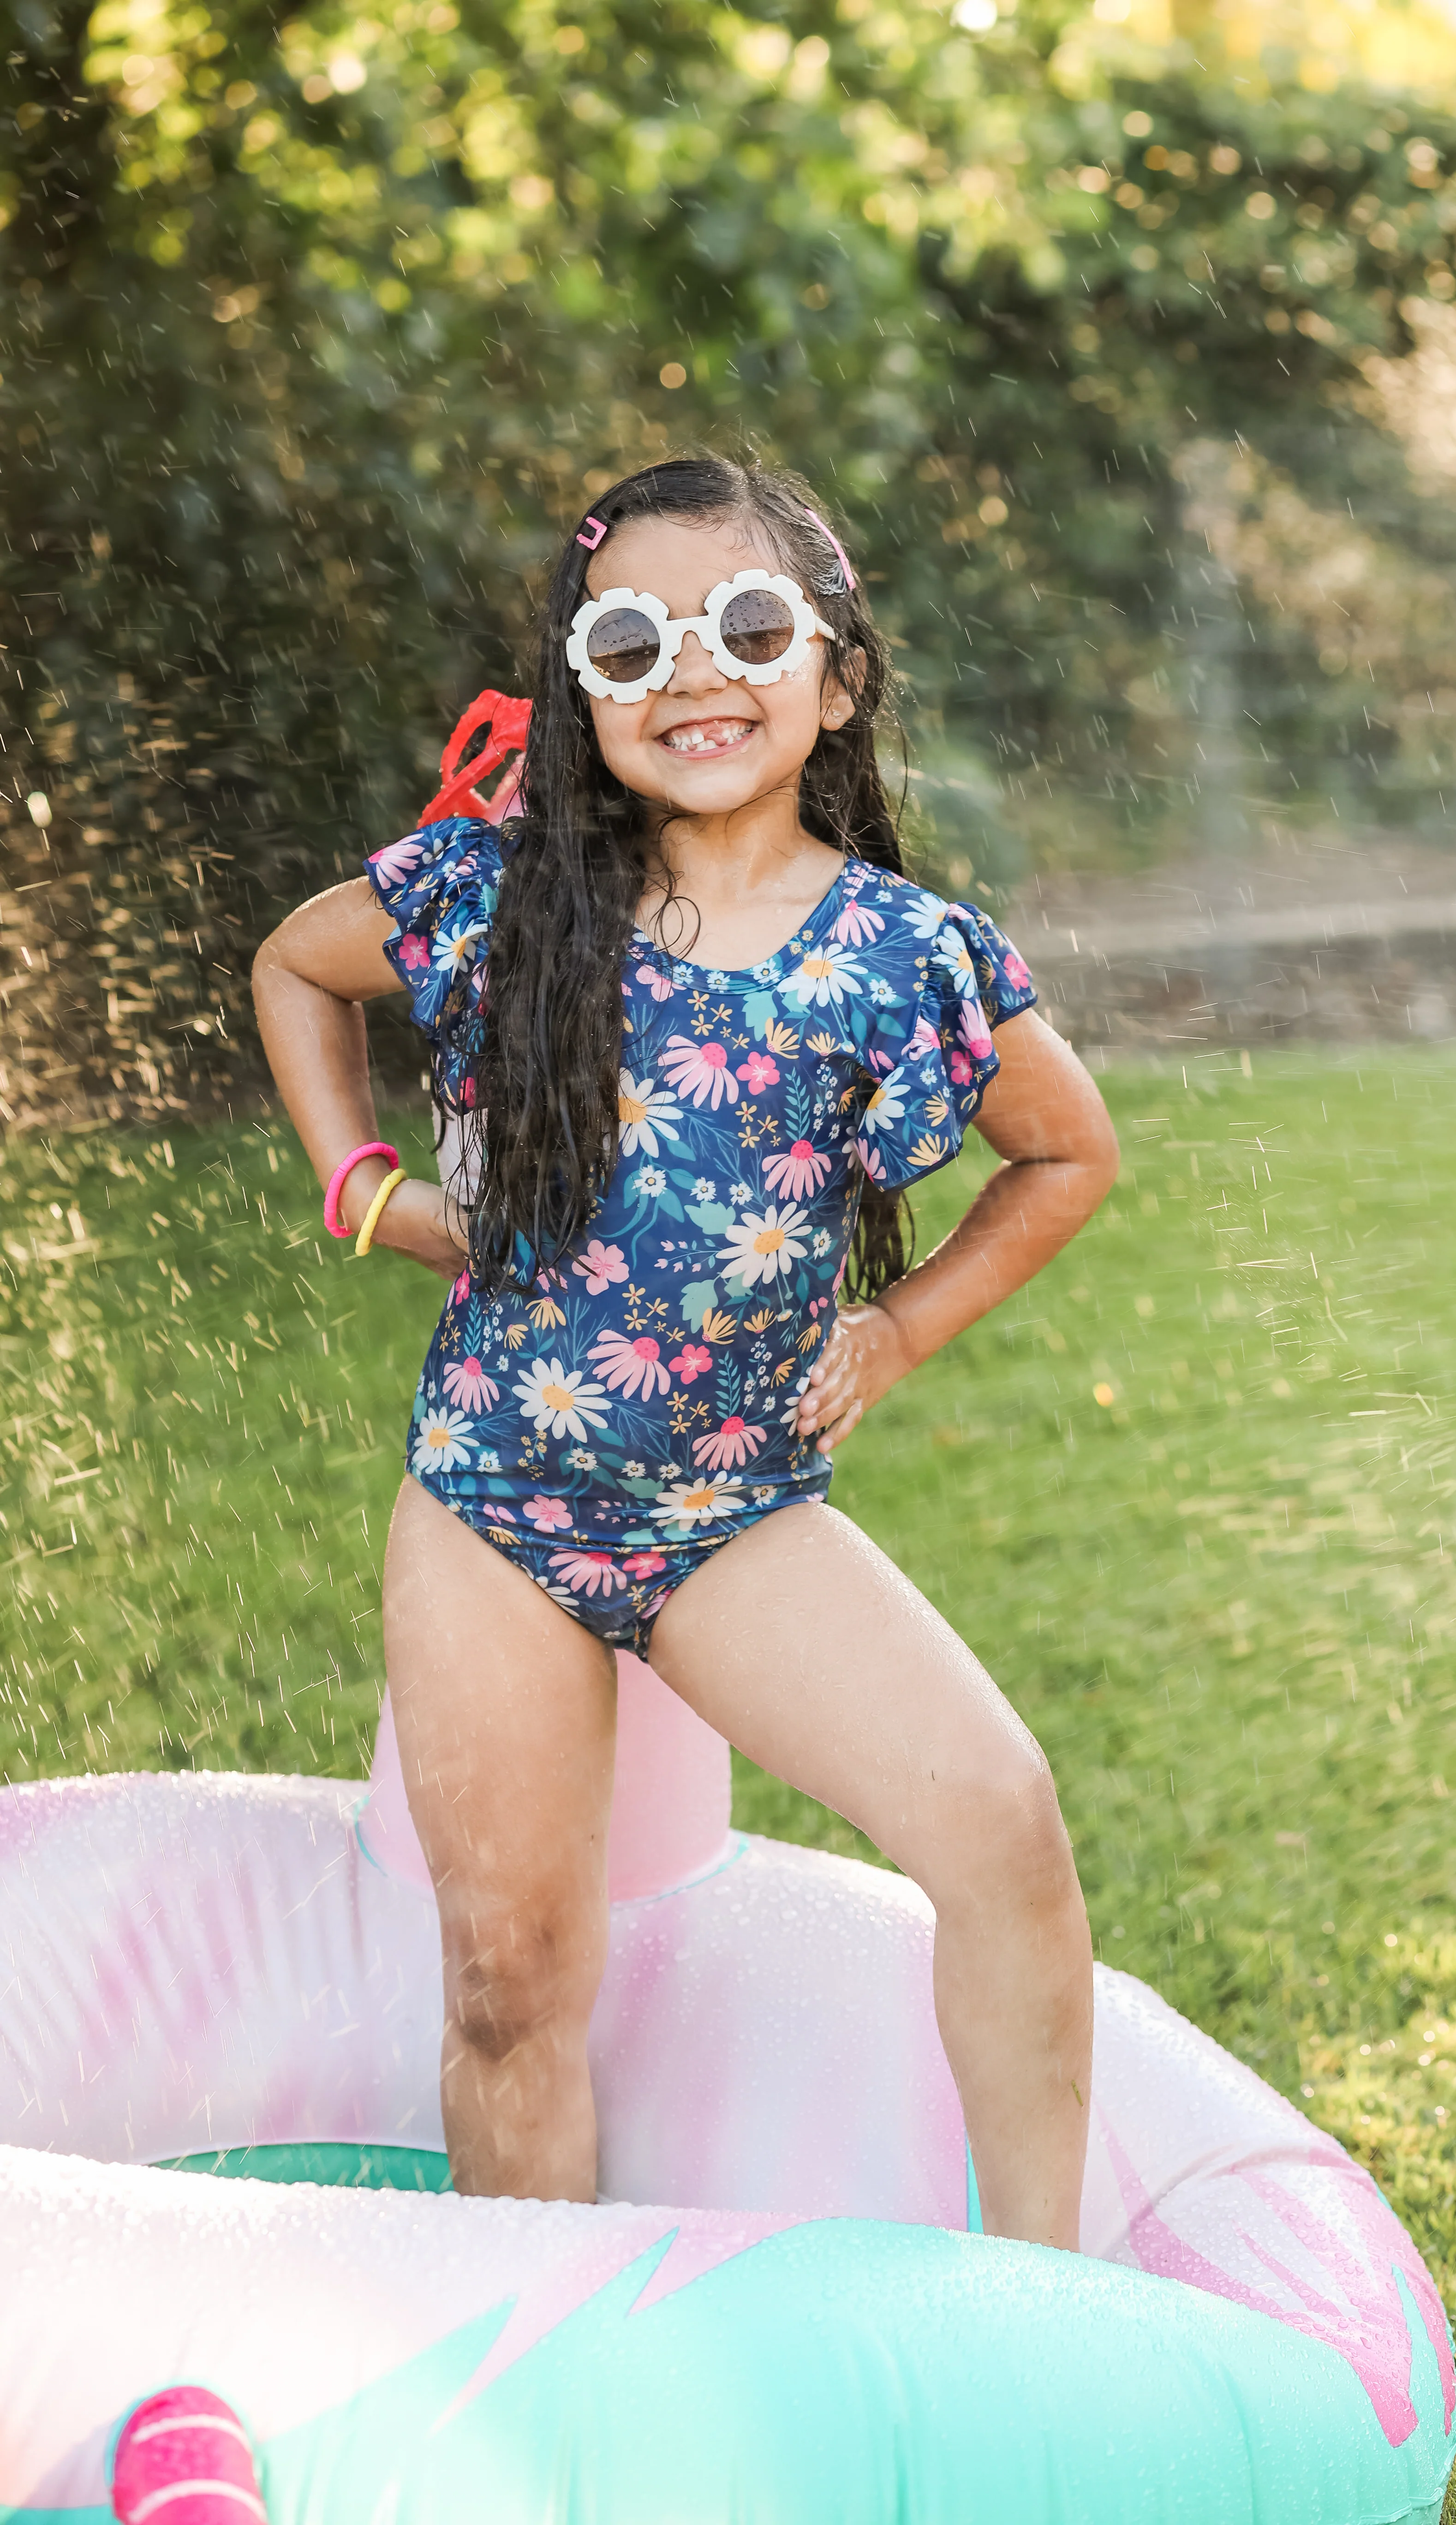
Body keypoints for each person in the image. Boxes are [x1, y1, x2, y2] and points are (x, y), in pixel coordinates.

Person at [252, 454, 1118, 2250]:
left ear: (837, 673)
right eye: (633, 641)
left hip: (733, 1512)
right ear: (582, 689)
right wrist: (369, 1191)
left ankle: (1051, 2304)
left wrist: (897, 1327)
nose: (694, 676)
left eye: (745, 626)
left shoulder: (905, 953)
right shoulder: (505, 893)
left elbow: (1069, 1150)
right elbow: (295, 965)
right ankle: (550, 2377)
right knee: (508, 1980)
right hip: (495, 1503)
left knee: (1005, 1825)